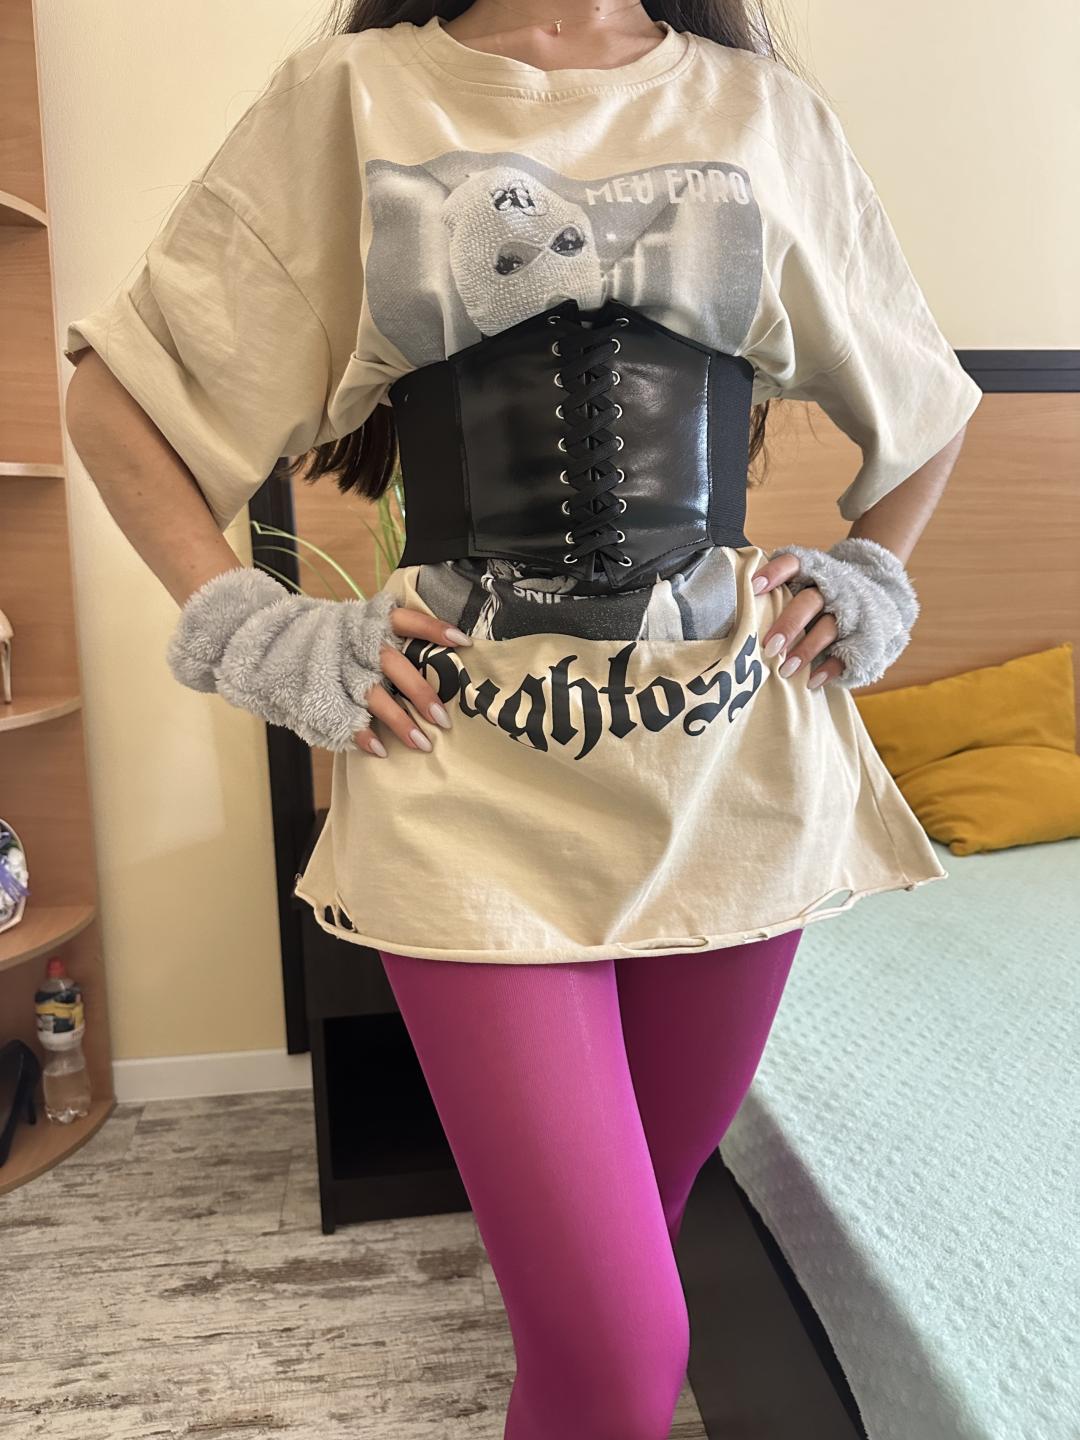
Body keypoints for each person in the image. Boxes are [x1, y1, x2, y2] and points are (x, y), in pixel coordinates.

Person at [63, 2, 982, 1434]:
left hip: (733, 780)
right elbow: (121, 402)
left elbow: (930, 407)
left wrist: (867, 574)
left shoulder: (764, 111)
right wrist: (252, 627)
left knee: (612, 1303)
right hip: (463, 783)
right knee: (622, 1351)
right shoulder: (355, 96)